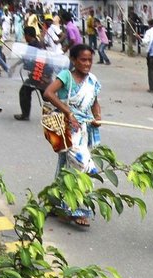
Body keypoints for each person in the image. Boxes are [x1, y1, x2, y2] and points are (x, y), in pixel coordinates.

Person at [42, 43, 101, 227]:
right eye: (83, 59)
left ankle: (57, 204)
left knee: (67, 166)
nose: (87, 63)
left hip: (83, 129)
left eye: (90, 60)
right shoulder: (66, 76)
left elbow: (94, 102)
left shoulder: (92, 80)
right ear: (74, 60)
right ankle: (75, 208)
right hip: (66, 128)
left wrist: (97, 117)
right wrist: (68, 113)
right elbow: (48, 93)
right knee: (84, 165)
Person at [13, 26, 52, 121]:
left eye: (24, 34)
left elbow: (38, 60)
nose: (24, 36)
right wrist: (15, 65)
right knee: (46, 95)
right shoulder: (35, 44)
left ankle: (25, 115)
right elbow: (26, 58)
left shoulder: (34, 46)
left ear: (28, 35)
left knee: (25, 91)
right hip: (40, 73)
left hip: (39, 74)